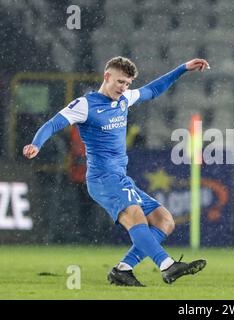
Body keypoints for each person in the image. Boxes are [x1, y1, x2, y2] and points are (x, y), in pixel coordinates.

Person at [23, 56, 210, 286]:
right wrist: (36, 144)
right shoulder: (85, 105)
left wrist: (182, 69)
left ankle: (123, 270)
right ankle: (168, 266)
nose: (124, 88)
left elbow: (152, 90)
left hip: (121, 178)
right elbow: (53, 123)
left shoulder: (124, 100)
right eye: (120, 82)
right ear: (107, 76)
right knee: (136, 217)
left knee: (165, 220)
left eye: (128, 84)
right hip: (102, 178)